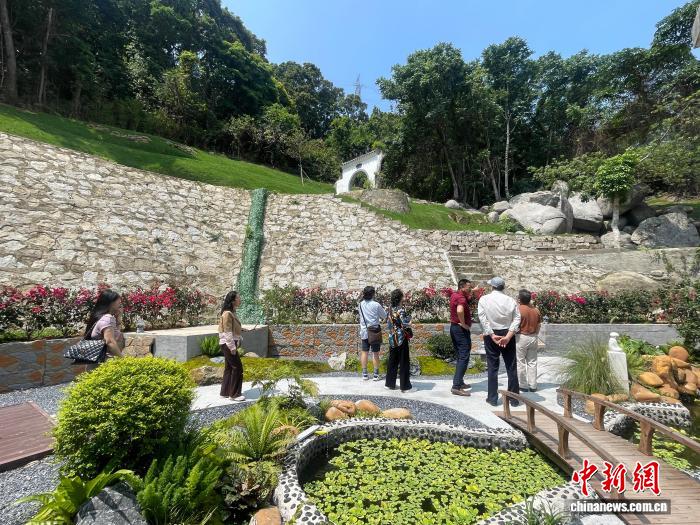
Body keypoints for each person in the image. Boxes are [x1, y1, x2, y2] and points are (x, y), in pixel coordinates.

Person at [477, 277, 521, 407]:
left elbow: (482, 318)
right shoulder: (511, 300)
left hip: (491, 334)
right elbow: (517, 318)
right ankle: (514, 399)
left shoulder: (484, 299)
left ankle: (492, 398)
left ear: (492, 287)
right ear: (503, 287)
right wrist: (508, 336)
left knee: (492, 367)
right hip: (507, 332)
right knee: (511, 366)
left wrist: (491, 334)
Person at [85, 289, 124, 367]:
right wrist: (123, 360)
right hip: (106, 363)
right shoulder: (107, 318)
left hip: (98, 361)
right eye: (119, 302)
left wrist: (118, 317)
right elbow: (110, 342)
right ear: (111, 303)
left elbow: (116, 336)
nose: (120, 304)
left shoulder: (101, 317)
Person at [385, 289, 413, 393]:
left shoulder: (390, 309)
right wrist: (410, 322)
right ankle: (405, 386)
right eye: (403, 296)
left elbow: (389, 324)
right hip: (401, 337)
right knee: (404, 361)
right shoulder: (401, 310)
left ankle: (390, 383)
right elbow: (405, 323)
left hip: (392, 337)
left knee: (392, 360)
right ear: (400, 298)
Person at [219, 291, 245, 401]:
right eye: (238, 298)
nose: (240, 300)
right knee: (237, 368)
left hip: (228, 343)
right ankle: (234, 394)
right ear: (233, 300)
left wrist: (242, 330)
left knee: (229, 368)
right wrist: (232, 347)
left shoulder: (232, 313)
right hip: (228, 344)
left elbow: (232, 328)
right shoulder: (227, 314)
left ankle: (225, 392)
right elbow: (227, 331)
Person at [449, 279, 473, 396]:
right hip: (460, 330)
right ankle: (456, 386)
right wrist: (463, 324)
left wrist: (473, 291)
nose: (470, 289)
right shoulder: (461, 299)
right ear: (462, 287)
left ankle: (460, 381)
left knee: (460, 355)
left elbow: (464, 300)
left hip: (454, 328)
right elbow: (460, 310)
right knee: (464, 356)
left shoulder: (455, 295)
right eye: (469, 287)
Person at [358, 286, 386, 381]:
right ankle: (376, 375)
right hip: (374, 332)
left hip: (364, 331)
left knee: (364, 352)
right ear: (373, 294)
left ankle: (365, 374)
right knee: (375, 353)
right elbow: (384, 316)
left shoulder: (360, 304)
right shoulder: (376, 305)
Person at [516, 289, 542, 392]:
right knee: (532, 362)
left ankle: (523, 385)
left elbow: (515, 325)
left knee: (520, 362)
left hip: (521, 337)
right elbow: (539, 325)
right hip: (533, 337)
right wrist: (535, 334)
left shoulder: (518, 309)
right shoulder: (536, 310)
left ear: (520, 299)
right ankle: (533, 385)